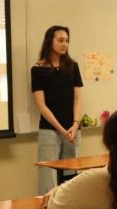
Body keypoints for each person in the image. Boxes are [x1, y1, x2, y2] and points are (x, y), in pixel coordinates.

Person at [32, 25, 83, 194]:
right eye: (60, 40)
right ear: (50, 41)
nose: (64, 44)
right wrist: (61, 130)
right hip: (50, 129)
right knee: (48, 176)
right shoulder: (38, 69)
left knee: (72, 177)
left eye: (67, 41)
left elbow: (77, 98)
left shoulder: (72, 66)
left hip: (73, 129)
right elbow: (41, 105)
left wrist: (75, 124)